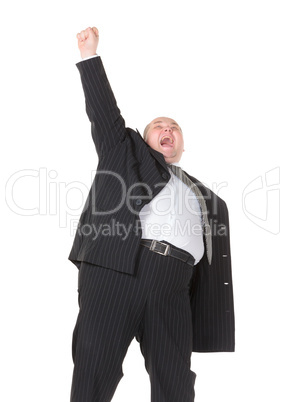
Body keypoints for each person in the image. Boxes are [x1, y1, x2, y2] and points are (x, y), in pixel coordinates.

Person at [68, 26, 235, 402]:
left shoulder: (205, 196)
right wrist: (90, 56)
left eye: (174, 127)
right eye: (159, 125)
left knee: (175, 380)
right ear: (145, 140)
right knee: (95, 369)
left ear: (181, 144)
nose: (168, 129)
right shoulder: (123, 153)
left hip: (174, 287)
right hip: (120, 270)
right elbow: (104, 113)